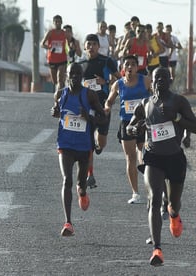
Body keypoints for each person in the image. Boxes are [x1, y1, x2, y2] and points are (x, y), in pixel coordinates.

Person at [126, 66, 196, 266]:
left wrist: (175, 117)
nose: (160, 81)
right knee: (153, 199)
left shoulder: (179, 101)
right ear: (152, 81)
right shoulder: (144, 103)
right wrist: (135, 128)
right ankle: (157, 249)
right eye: (156, 77)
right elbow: (130, 127)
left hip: (175, 157)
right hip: (153, 157)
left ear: (170, 79)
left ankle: (174, 214)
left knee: (173, 204)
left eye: (164, 77)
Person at [50, 62, 107, 236]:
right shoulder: (61, 94)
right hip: (65, 144)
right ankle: (68, 223)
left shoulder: (89, 95)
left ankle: (82, 192)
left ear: (82, 76)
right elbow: (59, 112)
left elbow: (103, 118)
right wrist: (55, 112)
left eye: (77, 74)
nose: (74, 76)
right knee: (67, 180)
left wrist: (88, 117)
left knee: (81, 184)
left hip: (84, 147)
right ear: (66, 75)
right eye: (71, 73)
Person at [104, 55, 152, 204]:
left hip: (143, 122)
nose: (130, 67)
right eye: (127, 65)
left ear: (137, 67)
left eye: (133, 64)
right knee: (130, 158)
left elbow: (155, 96)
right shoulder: (118, 85)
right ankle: (135, 193)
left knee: (145, 156)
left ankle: (151, 190)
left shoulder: (145, 80)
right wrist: (106, 108)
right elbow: (109, 101)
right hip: (127, 124)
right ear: (123, 68)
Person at [81, 34, 121, 187]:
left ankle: (99, 146)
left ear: (98, 46)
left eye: (94, 44)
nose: (91, 47)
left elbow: (119, 79)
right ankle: (90, 175)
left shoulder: (106, 61)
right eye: (88, 44)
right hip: (85, 106)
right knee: (88, 142)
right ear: (85, 46)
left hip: (103, 104)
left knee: (101, 142)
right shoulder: (80, 63)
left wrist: (105, 82)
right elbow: (73, 82)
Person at [40, 15, 68, 92]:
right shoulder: (50, 33)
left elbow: (70, 42)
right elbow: (42, 44)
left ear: (62, 22)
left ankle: (61, 96)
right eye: (56, 22)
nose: (58, 23)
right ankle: (60, 90)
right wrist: (49, 48)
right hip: (52, 60)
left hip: (62, 59)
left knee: (60, 79)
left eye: (59, 22)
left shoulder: (64, 33)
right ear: (53, 23)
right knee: (55, 81)